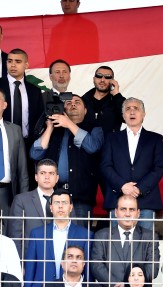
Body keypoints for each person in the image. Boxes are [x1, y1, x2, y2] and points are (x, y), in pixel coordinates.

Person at [29, 93, 104, 222]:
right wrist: (49, 128)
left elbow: (92, 147)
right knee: (51, 233)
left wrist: (69, 123)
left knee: (79, 234)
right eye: (68, 103)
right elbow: (35, 154)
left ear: (85, 110)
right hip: (53, 195)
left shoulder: (94, 129)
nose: (73, 104)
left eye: (77, 102)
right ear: (63, 109)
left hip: (81, 197)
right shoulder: (54, 130)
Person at [23, 188, 91, 287]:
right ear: (51, 207)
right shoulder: (37, 234)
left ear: (71, 207)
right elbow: (30, 272)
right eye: (56, 203)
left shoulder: (85, 235)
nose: (60, 206)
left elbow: (87, 272)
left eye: (64, 202)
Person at [100, 97, 163, 221]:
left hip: (146, 200)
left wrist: (139, 188)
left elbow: (158, 168)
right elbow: (105, 166)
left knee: (145, 234)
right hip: (117, 198)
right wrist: (122, 185)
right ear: (123, 115)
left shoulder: (155, 139)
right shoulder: (111, 138)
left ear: (143, 114)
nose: (132, 112)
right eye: (128, 109)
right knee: (116, 234)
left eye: (136, 108)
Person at [90, 194, 160, 287]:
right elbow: (96, 266)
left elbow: (153, 268)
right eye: (123, 209)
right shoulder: (101, 235)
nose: (127, 214)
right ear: (116, 212)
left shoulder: (150, 237)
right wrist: (115, 285)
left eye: (132, 210)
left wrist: (130, 285)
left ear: (138, 213)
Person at [8, 159, 57, 255]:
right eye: (42, 173)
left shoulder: (65, 200)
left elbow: (72, 233)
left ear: (57, 178)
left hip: (59, 258)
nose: (47, 177)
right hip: (30, 257)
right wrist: (20, 262)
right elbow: (15, 236)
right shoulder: (21, 200)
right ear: (36, 177)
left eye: (51, 173)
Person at [0, 48, 44, 153]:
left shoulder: (35, 90)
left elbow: (39, 118)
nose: (13, 65)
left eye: (18, 61)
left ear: (26, 65)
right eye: (9, 61)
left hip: (28, 144)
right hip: (2, 142)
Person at [0, 89, 29, 219]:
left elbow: (22, 169)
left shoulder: (15, 130)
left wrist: (24, 199)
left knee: (7, 229)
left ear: (4, 105)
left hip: (7, 193)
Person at [82, 65, 125, 135]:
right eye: (99, 76)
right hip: (86, 142)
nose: (102, 80)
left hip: (111, 142)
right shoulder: (82, 101)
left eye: (107, 77)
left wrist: (117, 94)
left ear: (113, 81)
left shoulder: (117, 100)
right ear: (94, 79)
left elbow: (127, 119)